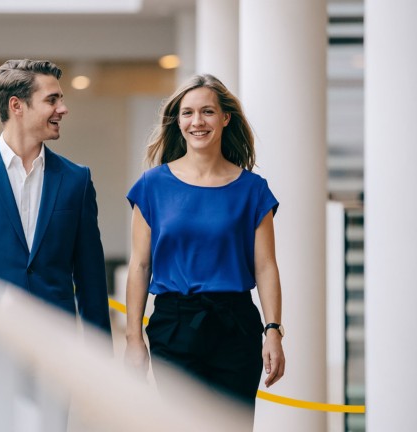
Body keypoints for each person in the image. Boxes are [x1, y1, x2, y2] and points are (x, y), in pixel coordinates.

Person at [124, 74, 285, 421]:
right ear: (178, 121)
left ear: (225, 118)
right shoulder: (152, 186)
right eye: (188, 113)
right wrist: (133, 339)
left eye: (208, 112)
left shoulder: (253, 190)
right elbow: (139, 266)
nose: (197, 122)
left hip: (236, 326)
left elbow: (266, 267)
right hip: (174, 326)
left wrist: (273, 331)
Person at [0, 59, 111, 335]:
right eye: (52, 100)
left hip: (59, 341)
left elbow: (91, 278)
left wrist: (101, 357)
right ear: (16, 106)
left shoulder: (77, 180)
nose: (62, 109)